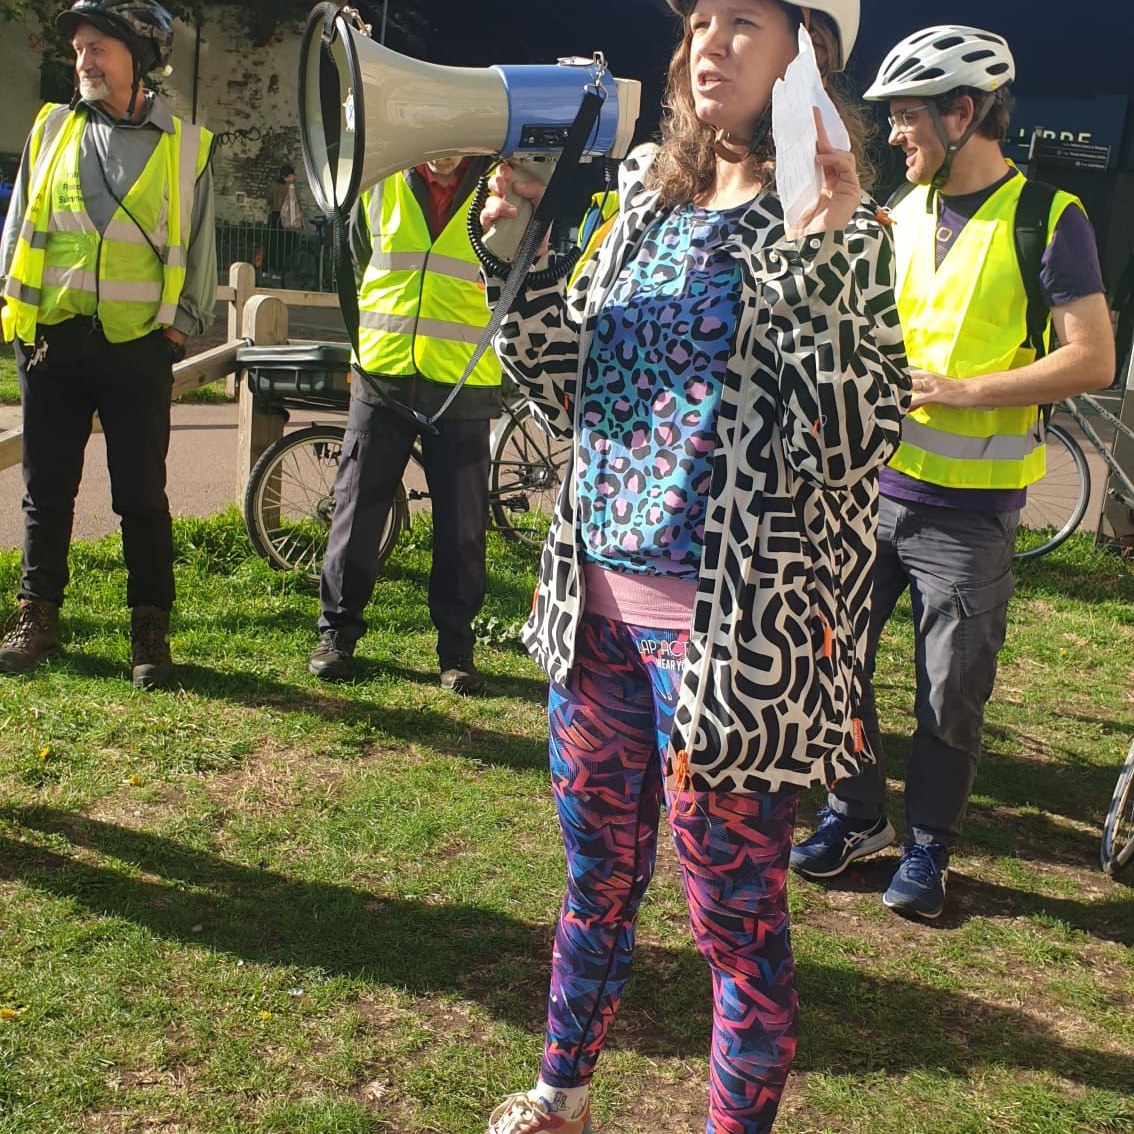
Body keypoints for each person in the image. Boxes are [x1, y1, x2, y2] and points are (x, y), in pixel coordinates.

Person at [477, 1, 909, 1131]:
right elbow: (571, 389)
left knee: (735, 927)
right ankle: (561, 1093)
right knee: (595, 884)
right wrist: (508, 257)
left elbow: (860, 434)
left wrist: (818, 254)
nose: (709, 41)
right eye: (699, 20)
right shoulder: (643, 204)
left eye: (743, 20)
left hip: (733, 644)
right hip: (598, 614)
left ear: (805, 54)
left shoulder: (844, 229)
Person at [789, 25, 1115, 919]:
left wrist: (963, 390)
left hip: (970, 516)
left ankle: (929, 846)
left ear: (962, 113)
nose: (895, 135)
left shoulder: (1049, 218)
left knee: (949, 693)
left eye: (906, 120)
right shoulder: (900, 211)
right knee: (829, 661)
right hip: (871, 495)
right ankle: (857, 815)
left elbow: (1093, 361)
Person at [0, 0, 216, 690]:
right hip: (52, 342)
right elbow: (21, 226)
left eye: (99, 49)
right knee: (47, 490)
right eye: (80, 50)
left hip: (138, 348)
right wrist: (18, 320)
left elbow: (201, 248)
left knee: (142, 496)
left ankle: (149, 628)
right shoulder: (54, 127)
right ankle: (37, 614)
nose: (84, 61)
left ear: (139, 59)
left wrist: (176, 333)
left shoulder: (186, 145)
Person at [307, 155, 501, 693]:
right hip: (382, 375)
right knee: (355, 509)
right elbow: (354, 262)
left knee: (462, 525)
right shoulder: (380, 181)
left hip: (461, 382)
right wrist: (363, 352)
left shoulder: (500, 189)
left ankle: (457, 652)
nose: (443, 151)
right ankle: (336, 636)